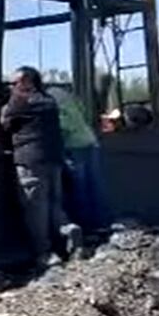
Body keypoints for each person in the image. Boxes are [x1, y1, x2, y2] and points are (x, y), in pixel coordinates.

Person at [1, 67, 82, 267]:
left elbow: (5, 122)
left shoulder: (21, 101)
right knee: (54, 203)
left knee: (35, 209)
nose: (11, 87)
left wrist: (13, 99)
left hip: (31, 161)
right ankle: (67, 228)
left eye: (14, 83)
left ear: (27, 82)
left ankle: (44, 254)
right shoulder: (49, 101)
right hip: (53, 160)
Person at [48, 86, 108, 232]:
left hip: (75, 146)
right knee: (95, 185)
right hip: (90, 142)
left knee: (79, 187)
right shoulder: (74, 100)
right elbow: (85, 116)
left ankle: (85, 225)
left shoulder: (52, 102)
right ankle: (101, 223)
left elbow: (65, 126)